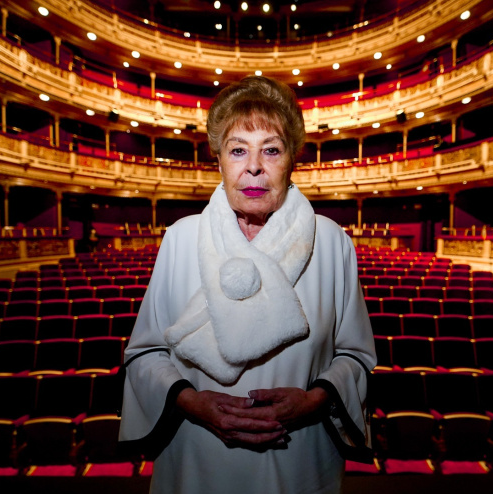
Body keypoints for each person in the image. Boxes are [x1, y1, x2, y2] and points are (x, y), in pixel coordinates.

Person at [118, 76, 376, 494]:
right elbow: (145, 353)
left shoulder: (332, 242)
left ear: (292, 158)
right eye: (238, 150)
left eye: (270, 150)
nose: (253, 166)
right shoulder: (181, 238)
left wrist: (315, 400)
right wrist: (191, 401)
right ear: (218, 159)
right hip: (197, 454)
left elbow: (355, 355)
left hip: (299, 456)